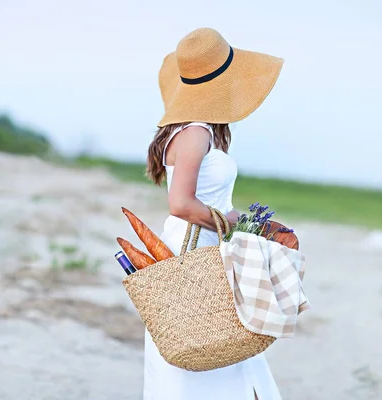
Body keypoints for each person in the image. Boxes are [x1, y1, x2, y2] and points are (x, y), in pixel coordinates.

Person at [144, 27, 284, 400]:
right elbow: (181, 203)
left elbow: (206, 201)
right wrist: (237, 223)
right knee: (206, 342)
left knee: (220, 342)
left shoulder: (196, 131)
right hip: (196, 248)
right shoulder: (195, 133)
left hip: (206, 242)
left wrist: (255, 225)